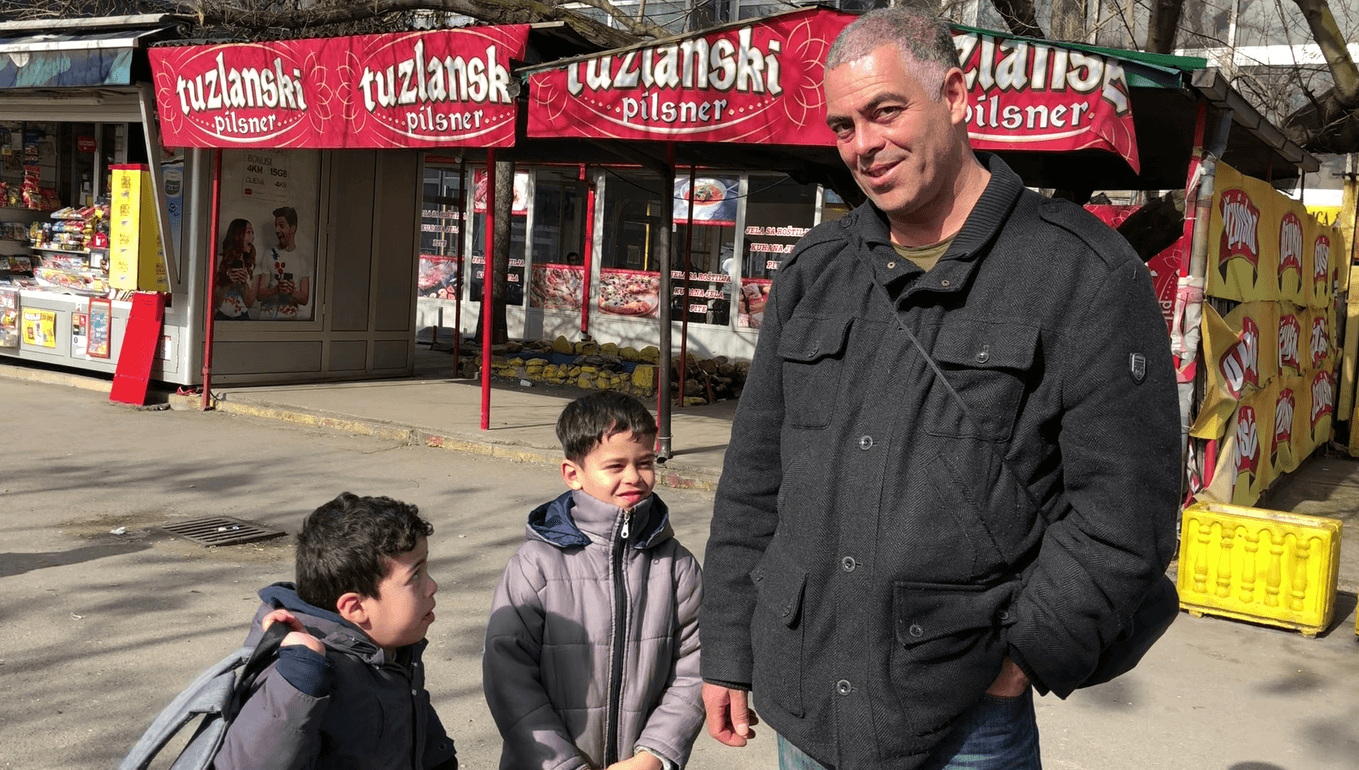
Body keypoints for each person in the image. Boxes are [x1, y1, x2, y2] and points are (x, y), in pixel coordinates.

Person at [699, 8, 1180, 770]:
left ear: (955, 94)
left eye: (886, 111)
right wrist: (726, 644)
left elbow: (1128, 515)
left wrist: (1019, 661)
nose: (864, 145)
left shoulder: (1081, 274)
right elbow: (755, 480)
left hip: (966, 722)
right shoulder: (814, 270)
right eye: (843, 126)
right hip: (804, 703)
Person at [483, 391, 704, 770]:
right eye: (615, 466)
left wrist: (655, 754)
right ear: (573, 474)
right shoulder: (536, 564)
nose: (634, 477)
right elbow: (509, 676)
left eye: (646, 462)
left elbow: (696, 666)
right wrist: (561, 763)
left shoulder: (676, 566)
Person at [213, 492, 457, 770]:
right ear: (354, 608)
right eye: (415, 576)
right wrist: (298, 681)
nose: (432, 586)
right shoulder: (296, 670)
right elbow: (247, 764)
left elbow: (409, 720)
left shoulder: (389, 648)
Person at [257, 205, 313, 320]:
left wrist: (292, 291)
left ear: (293, 228)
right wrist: (276, 289)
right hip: (266, 322)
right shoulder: (269, 254)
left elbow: (305, 299)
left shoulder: (302, 260)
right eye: (276, 226)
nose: (276, 230)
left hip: (289, 324)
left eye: (281, 226)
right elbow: (260, 295)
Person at [214, 218, 258, 320]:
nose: (253, 237)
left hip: (243, 318)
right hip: (222, 318)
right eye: (248, 232)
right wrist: (227, 282)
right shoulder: (218, 262)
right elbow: (216, 303)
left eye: (253, 233)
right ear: (237, 235)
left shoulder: (253, 267)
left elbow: (250, 303)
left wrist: (244, 283)